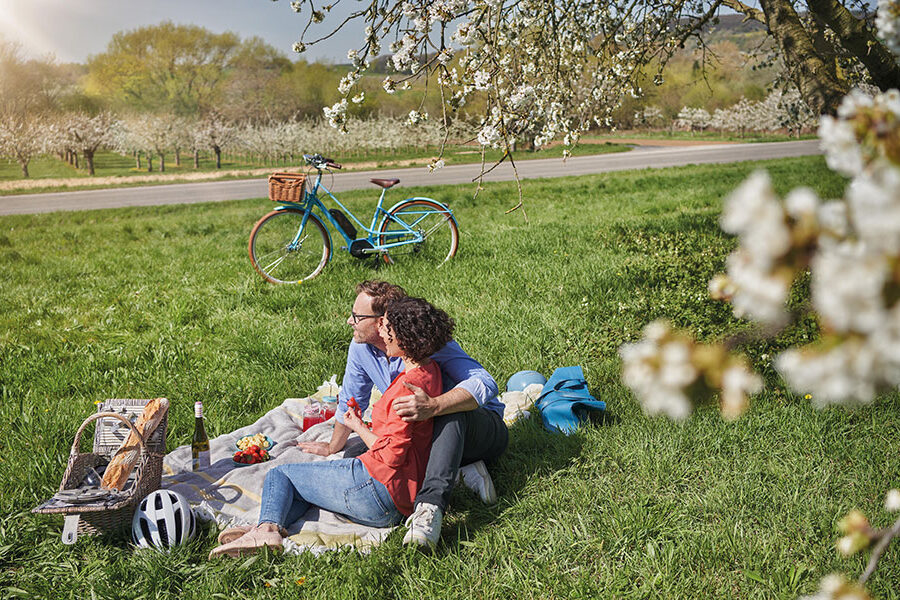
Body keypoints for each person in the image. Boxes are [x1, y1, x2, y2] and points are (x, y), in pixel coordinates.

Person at [209, 296, 453, 558]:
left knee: (281, 476)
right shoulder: (431, 371)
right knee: (301, 490)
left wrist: (357, 426)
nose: (381, 331)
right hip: (401, 496)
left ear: (403, 339)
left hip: (379, 490)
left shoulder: (405, 390)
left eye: (387, 328)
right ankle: (268, 527)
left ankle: (266, 529)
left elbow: (391, 454)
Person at [298, 280, 508, 550]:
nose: (349, 321)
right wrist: (332, 446)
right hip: (427, 435)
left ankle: (429, 508)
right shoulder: (361, 348)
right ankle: (459, 473)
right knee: (356, 456)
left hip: (480, 430)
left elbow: (486, 383)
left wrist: (435, 404)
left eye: (357, 316)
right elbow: (352, 400)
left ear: (382, 322)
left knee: (448, 413)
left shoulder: (426, 344)